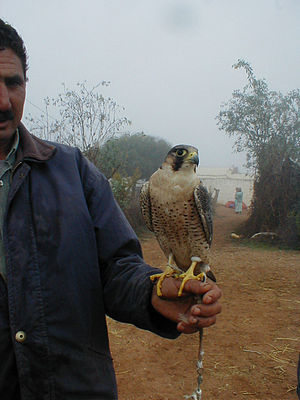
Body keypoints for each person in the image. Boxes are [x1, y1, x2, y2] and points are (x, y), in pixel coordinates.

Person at [0, 19, 222, 399]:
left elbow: (118, 268)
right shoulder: (152, 187)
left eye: (13, 83)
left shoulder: (74, 172)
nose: (4, 101)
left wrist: (154, 293)